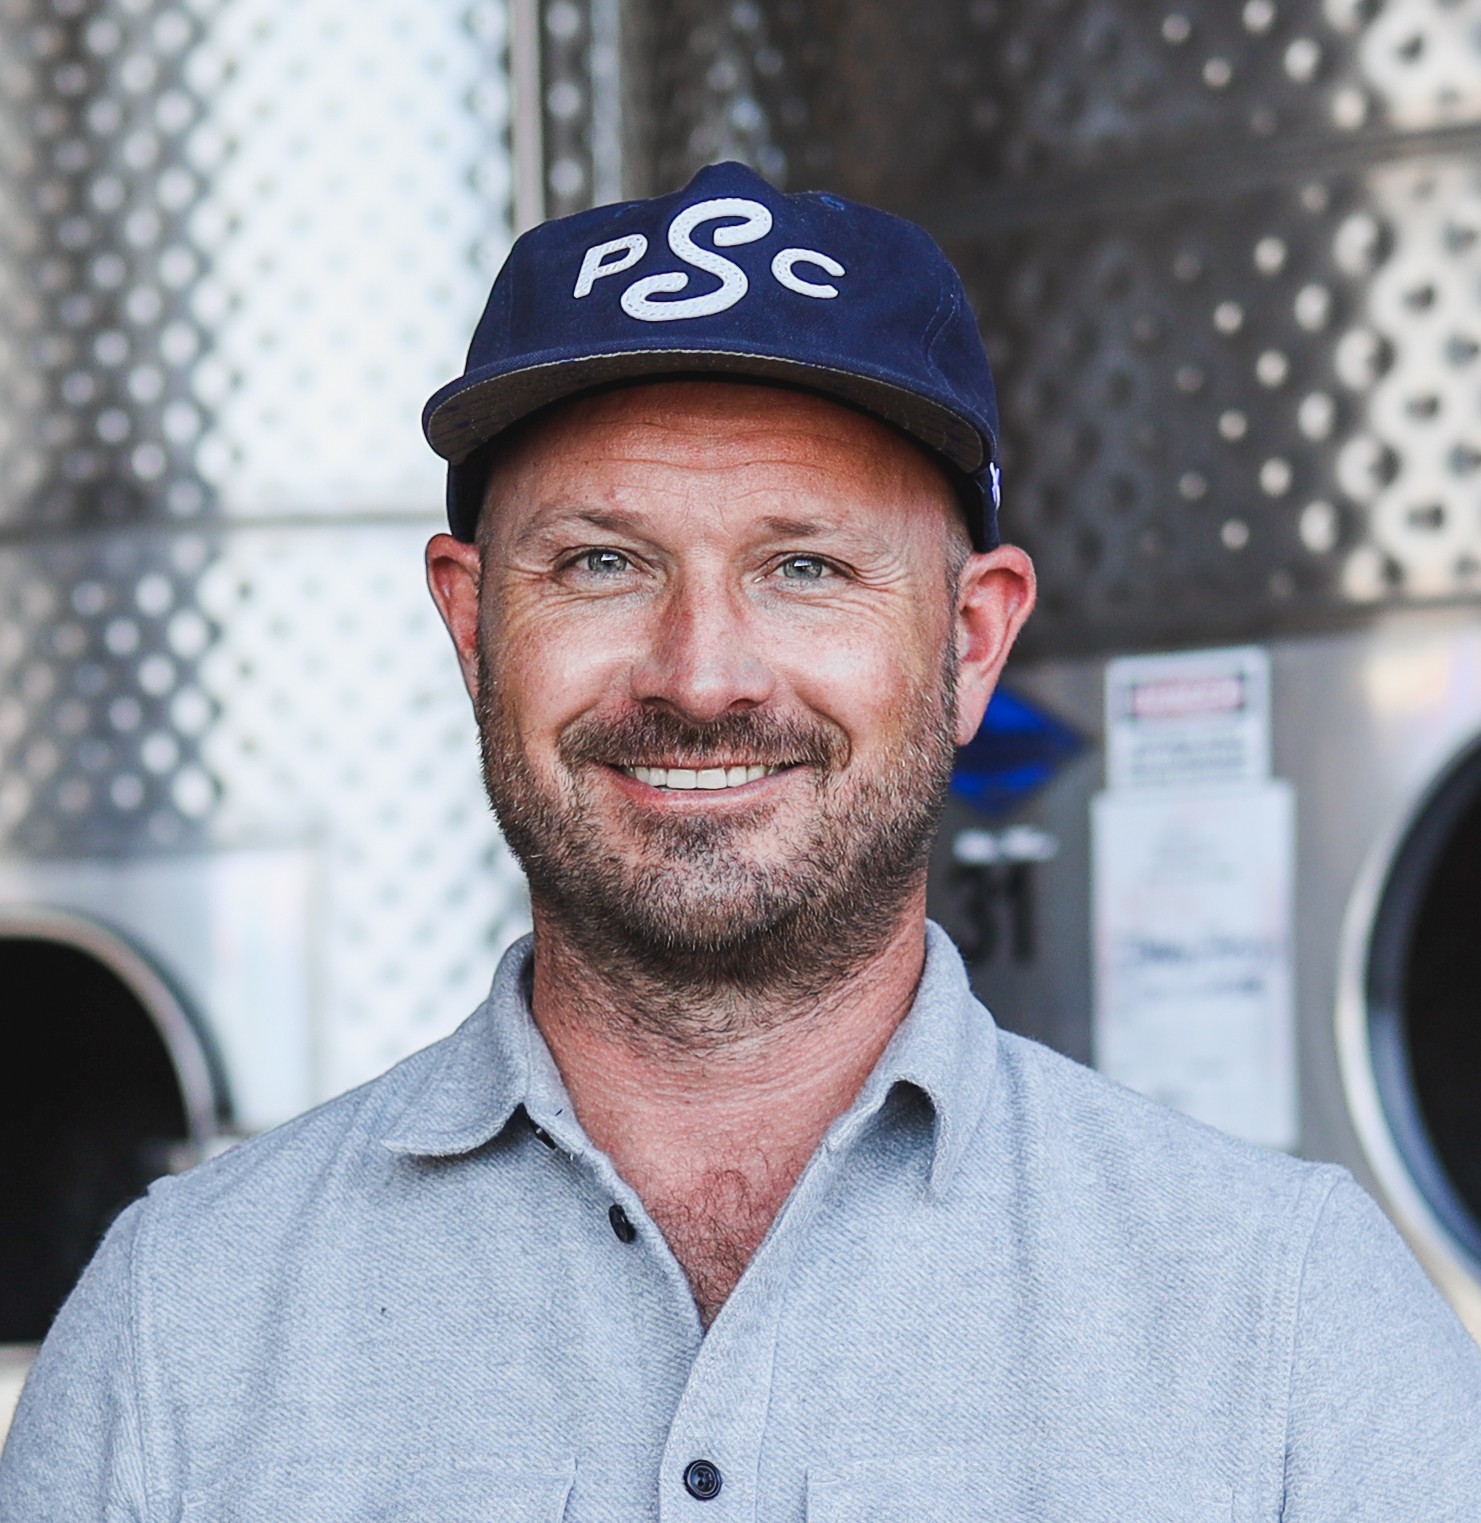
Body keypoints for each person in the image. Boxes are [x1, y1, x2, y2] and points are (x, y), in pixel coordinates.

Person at [3, 161, 1479, 1521]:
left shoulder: (1290, 1323)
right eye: (602, 562)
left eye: (805, 567)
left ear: (971, 642)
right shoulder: (177, 1328)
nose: (702, 676)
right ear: (471, 623)